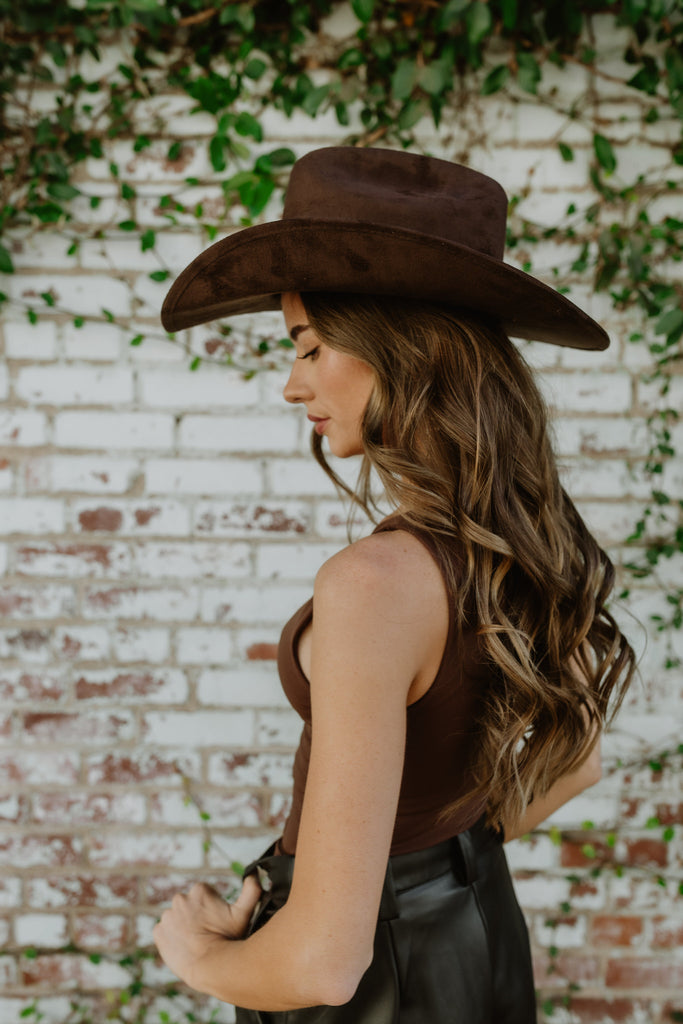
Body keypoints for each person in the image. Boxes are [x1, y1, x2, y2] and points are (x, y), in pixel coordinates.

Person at [153, 147, 636, 1022]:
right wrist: (427, 860)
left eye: (308, 345)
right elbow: (576, 761)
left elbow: (324, 968)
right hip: (478, 932)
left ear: (395, 345)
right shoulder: (517, 543)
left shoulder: (372, 585)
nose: (293, 382)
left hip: (384, 985)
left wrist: (195, 953)